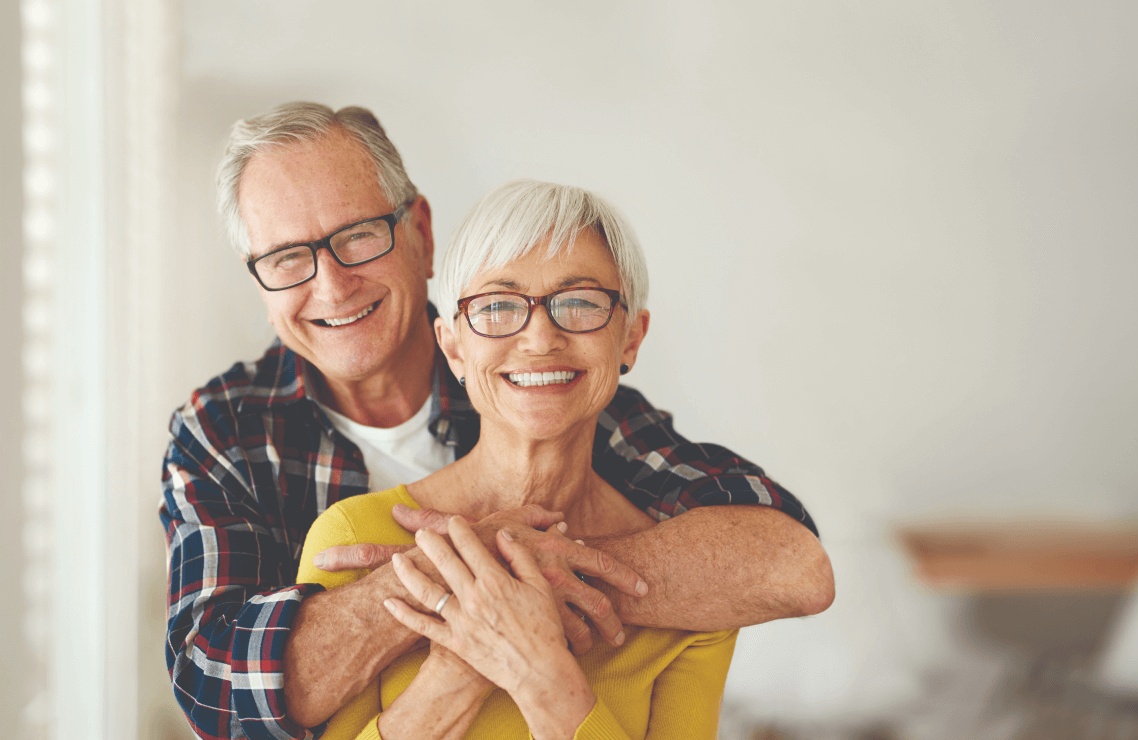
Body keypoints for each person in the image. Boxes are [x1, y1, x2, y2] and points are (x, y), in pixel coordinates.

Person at [160, 101, 833, 740]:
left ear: (420, 231)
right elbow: (217, 694)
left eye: (358, 236)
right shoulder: (227, 433)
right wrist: (463, 583)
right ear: (260, 281)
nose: (333, 285)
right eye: (287, 258)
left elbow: (789, 562)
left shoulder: (553, 393)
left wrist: (517, 586)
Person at [296, 179, 742, 739]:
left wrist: (539, 672)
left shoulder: (694, 599)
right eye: (498, 306)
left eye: (579, 302)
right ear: (454, 346)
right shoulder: (352, 537)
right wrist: (465, 660)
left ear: (630, 338)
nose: (538, 338)